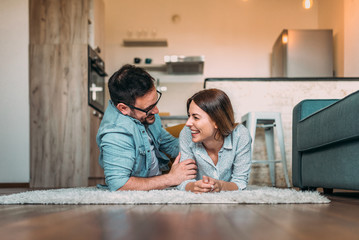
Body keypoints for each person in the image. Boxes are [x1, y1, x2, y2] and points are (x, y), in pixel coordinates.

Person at [96, 64, 197, 191]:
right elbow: (119, 185)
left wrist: (205, 145)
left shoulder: (148, 116)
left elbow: (170, 145)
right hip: (140, 196)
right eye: (149, 108)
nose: (156, 110)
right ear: (124, 108)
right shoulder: (115, 133)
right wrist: (171, 178)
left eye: (155, 103)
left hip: (160, 185)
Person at [177, 88, 252, 193]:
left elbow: (240, 182)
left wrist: (221, 186)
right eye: (189, 116)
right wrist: (193, 186)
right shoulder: (186, 133)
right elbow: (183, 180)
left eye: (196, 117)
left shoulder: (240, 135)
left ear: (217, 121)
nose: (188, 123)